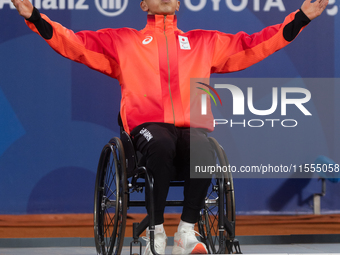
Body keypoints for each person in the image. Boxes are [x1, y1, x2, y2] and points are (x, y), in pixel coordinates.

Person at [12, 0, 328, 254]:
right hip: (147, 129)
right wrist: (35, 17)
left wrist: (299, 18)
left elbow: (255, 45)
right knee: (161, 143)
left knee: (204, 149)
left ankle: (186, 233)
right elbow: (75, 44)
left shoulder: (205, 42)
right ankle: (156, 231)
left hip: (191, 129)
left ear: (178, 5)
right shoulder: (122, 41)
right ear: (143, 6)